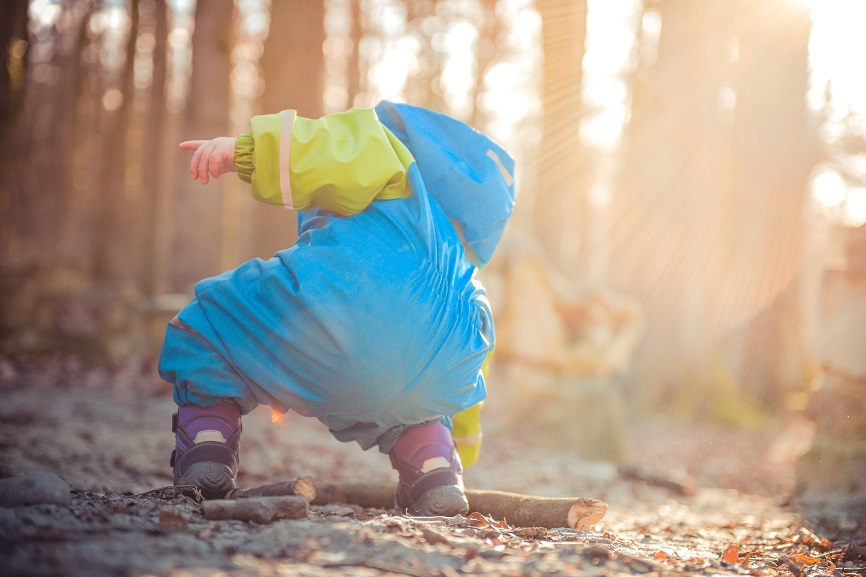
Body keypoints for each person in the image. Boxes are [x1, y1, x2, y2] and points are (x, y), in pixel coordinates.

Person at [159, 100, 516, 516]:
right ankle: (435, 468)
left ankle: (208, 445)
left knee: (210, 324)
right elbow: (472, 373)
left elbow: (331, 148)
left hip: (335, 325)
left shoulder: (395, 165)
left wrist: (243, 152)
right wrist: (464, 447)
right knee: (418, 405)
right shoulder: (467, 283)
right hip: (428, 380)